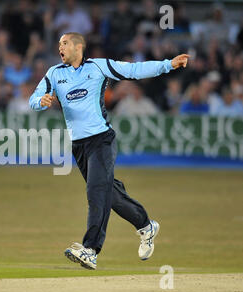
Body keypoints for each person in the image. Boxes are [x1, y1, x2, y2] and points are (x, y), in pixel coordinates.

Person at [29, 32, 189, 270]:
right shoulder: (54, 73)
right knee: (110, 195)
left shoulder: (98, 67)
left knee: (96, 192)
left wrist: (168, 65)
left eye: (64, 43)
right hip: (79, 146)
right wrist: (40, 101)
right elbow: (33, 98)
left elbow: (133, 71)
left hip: (102, 140)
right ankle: (146, 225)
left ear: (77, 46)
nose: (59, 47)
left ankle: (91, 250)